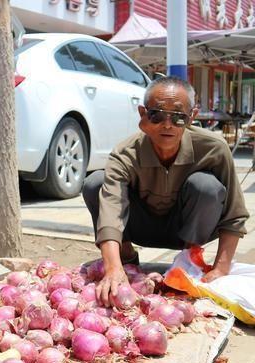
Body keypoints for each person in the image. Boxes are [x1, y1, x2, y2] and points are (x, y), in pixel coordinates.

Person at [81, 76, 249, 307]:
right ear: (143, 115)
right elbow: (111, 209)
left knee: (206, 187)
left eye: (178, 117)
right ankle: (127, 259)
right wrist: (112, 268)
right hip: (140, 226)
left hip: (187, 231)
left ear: (192, 117)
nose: (167, 125)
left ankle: (188, 262)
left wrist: (221, 268)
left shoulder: (214, 149)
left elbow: (234, 216)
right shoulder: (125, 152)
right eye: (157, 115)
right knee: (95, 183)